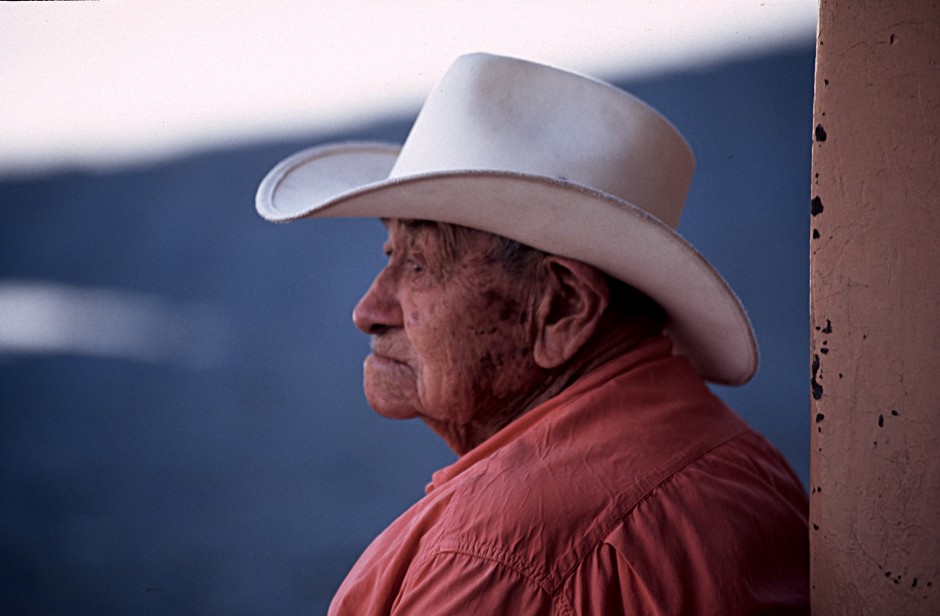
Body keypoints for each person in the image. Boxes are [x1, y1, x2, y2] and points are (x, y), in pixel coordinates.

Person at [256, 53, 809, 614]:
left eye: (420, 265)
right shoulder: (749, 460)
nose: (367, 310)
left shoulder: (487, 561)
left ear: (563, 306)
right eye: (389, 253)